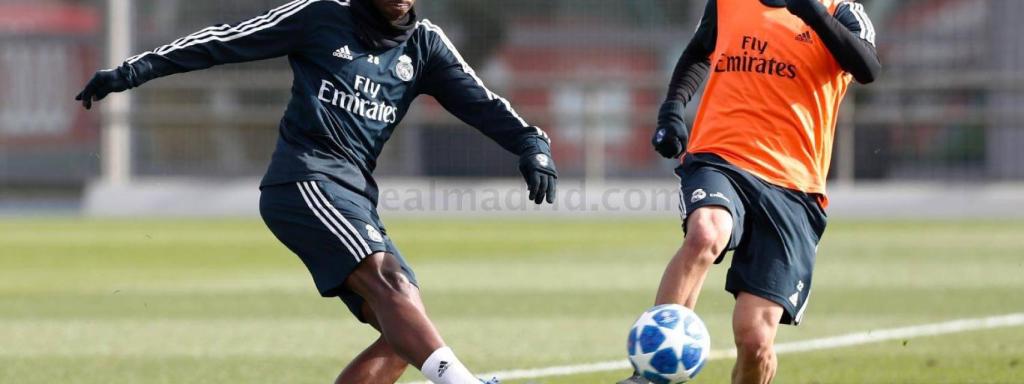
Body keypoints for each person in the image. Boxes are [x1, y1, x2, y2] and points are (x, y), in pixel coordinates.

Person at [75, 0, 558, 383]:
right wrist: (133, 70)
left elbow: (486, 104)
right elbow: (224, 40)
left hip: (353, 193)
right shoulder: (322, 16)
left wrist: (531, 146)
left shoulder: (425, 46)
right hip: (303, 179)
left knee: (405, 329)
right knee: (390, 288)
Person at [621, 0, 879, 383]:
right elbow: (697, 52)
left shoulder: (841, 10)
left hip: (794, 188)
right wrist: (672, 110)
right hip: (722, 157)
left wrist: (811, 12)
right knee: (707, 232)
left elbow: (867, 68)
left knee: (755, 340)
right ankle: (655, 375)